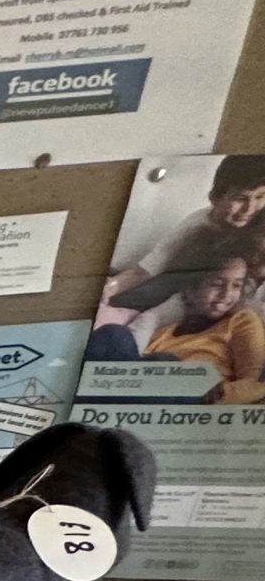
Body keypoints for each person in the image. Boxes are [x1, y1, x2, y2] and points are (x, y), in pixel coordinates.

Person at [101, 153, 265, 317]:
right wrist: (112, 286)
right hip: (201, 290)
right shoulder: (197, 225)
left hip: (245, 296)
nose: (249, 209)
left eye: (260, 197)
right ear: (214, 198)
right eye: (240, 198)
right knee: (157, 287)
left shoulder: (260, 221)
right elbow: (146, 269)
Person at [109, 255, 265, 404]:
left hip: (194, 404)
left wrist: (211, 396)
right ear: (190, 290)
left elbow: (255, 383)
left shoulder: (240, 319)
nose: (226, 294)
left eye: (236, 286)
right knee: (113, 334)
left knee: (163, 363)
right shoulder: (163, 332)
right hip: (138, 394)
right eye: (217, 284)